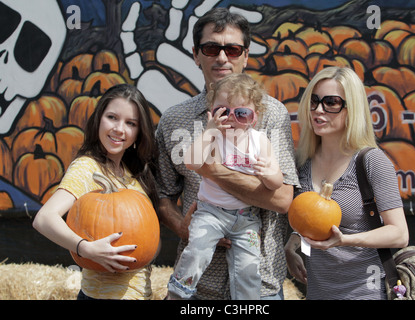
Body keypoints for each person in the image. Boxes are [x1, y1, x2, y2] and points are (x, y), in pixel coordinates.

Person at [155, 7, 299, 300]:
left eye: (232, 49)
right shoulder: (173, 120)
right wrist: (182, 227)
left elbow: (283, 199)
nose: (222, 57)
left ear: (245, 55)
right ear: (196, 55)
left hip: (261, 285)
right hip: (200, 288)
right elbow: (162, 196)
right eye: (211, 48)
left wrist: (213, 171)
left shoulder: (272, 115)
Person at [284, 66, 409, 300]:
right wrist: (293, 243)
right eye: (314, 101)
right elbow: (312, 222)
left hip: (365, 290)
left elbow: (400, 234)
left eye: (331, 102)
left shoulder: (370, 160)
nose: (318, 110)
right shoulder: (303, 162)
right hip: (318, 292)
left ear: (352, 109)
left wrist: (344, 240)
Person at [33, 84, 159, 300]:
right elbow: (44, 219)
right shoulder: (88, 167)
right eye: (112, 117)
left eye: (130, 123)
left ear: (139, 132)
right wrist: (85, 248)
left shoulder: (132, 173)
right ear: (99, 119)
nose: (119, 129)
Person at [167, 73, 283, 300]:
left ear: (254, 118)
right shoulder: (212, 137)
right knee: (197, 251)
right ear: (211, 112)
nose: (232, 118)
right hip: (211, 212)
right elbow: (192, 162)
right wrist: (210, 130)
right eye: (223, 111)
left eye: (242, 113)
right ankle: (179, 292)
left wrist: (268, 174)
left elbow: (277, 182)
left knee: (248, 268)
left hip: (247, 219)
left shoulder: (259, 141)